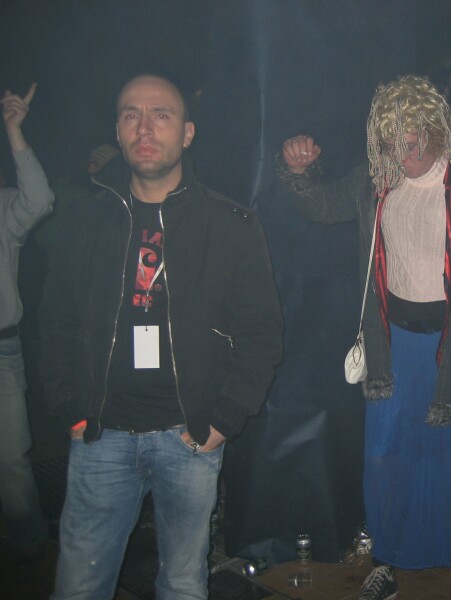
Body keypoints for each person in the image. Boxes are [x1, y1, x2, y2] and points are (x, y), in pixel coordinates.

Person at [278, 75, 451, 600]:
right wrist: (299, 172)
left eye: (413, 142)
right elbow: (322, 207)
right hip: (393, 345)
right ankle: (388, 561)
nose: (403, 154)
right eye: (392, 143)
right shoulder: (377, 179)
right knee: (386, 457)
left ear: (438, 131)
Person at [39, 74, 283, 599]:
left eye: (161, 115)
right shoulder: (85, 220)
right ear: (117, 130)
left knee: (182, 583)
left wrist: (224, 419)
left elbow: (262, 334)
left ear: (188, 133)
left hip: (189, 436)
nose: (145, 127)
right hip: (100, 434)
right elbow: (55, 320)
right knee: (80, 584)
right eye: (131, 115)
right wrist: (71, 408)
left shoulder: (231, 224)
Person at [0, 83, 52, 563]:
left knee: (11, 459)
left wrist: (15, 131)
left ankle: (28, 547)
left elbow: (39, 200)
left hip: (2, 348)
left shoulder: (3, 208)